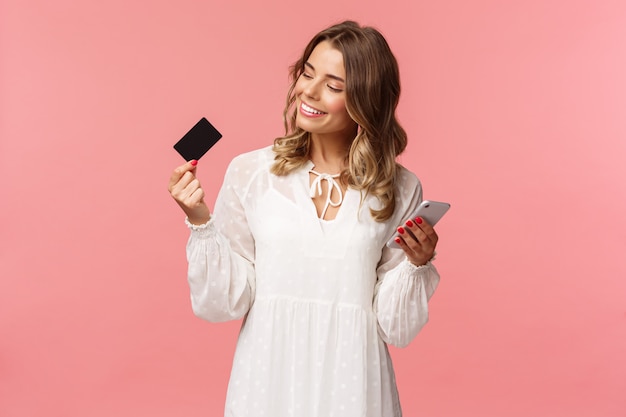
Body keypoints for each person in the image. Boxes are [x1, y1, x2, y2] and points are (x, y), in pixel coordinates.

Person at [168, 20, 441, 417]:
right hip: (267, 379)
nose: (307, 92)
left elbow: (394, 327)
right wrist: (200, 221)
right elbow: (225, 302)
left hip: (355, 383)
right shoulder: (252, 173)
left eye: (332, 85)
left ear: (365, 101)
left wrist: (417, 264)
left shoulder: (398, 187)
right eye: (307, 73)